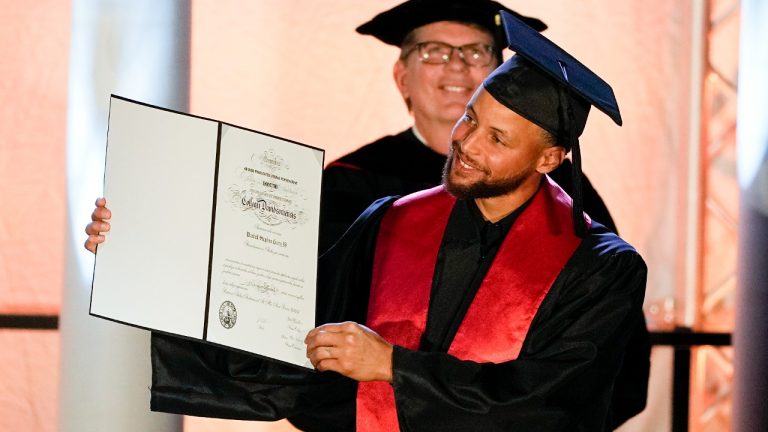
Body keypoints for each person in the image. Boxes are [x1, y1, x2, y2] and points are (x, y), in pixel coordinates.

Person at [85, 11, 648, 432]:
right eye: (471, 118)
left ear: (549, 160)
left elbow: (555, 403)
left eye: (497, 138)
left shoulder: (599, 268)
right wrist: (146, 246)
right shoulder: (390, 220)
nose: (467, 143)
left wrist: (393, 368)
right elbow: (287, 336)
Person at [320, 0, 617, 253]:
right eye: (434, 51)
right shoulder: (350, 182)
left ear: (501, 75)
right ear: (402, 78)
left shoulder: (558, 183)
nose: (457, 66)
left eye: (476, 52)